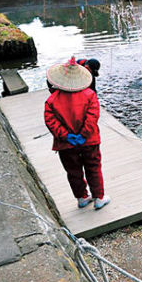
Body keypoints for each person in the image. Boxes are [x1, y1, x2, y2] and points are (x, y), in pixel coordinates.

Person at [44, 56, 110, 210]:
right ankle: (99, 197)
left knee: (73, 171)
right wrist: (84, 135)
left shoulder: (51, 100)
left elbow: (50, 121)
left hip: (65, 143)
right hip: (89, 141)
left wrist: (66, 136)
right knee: (93, 168)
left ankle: (81, 197)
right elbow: (92, 117)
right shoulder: (90, 95)